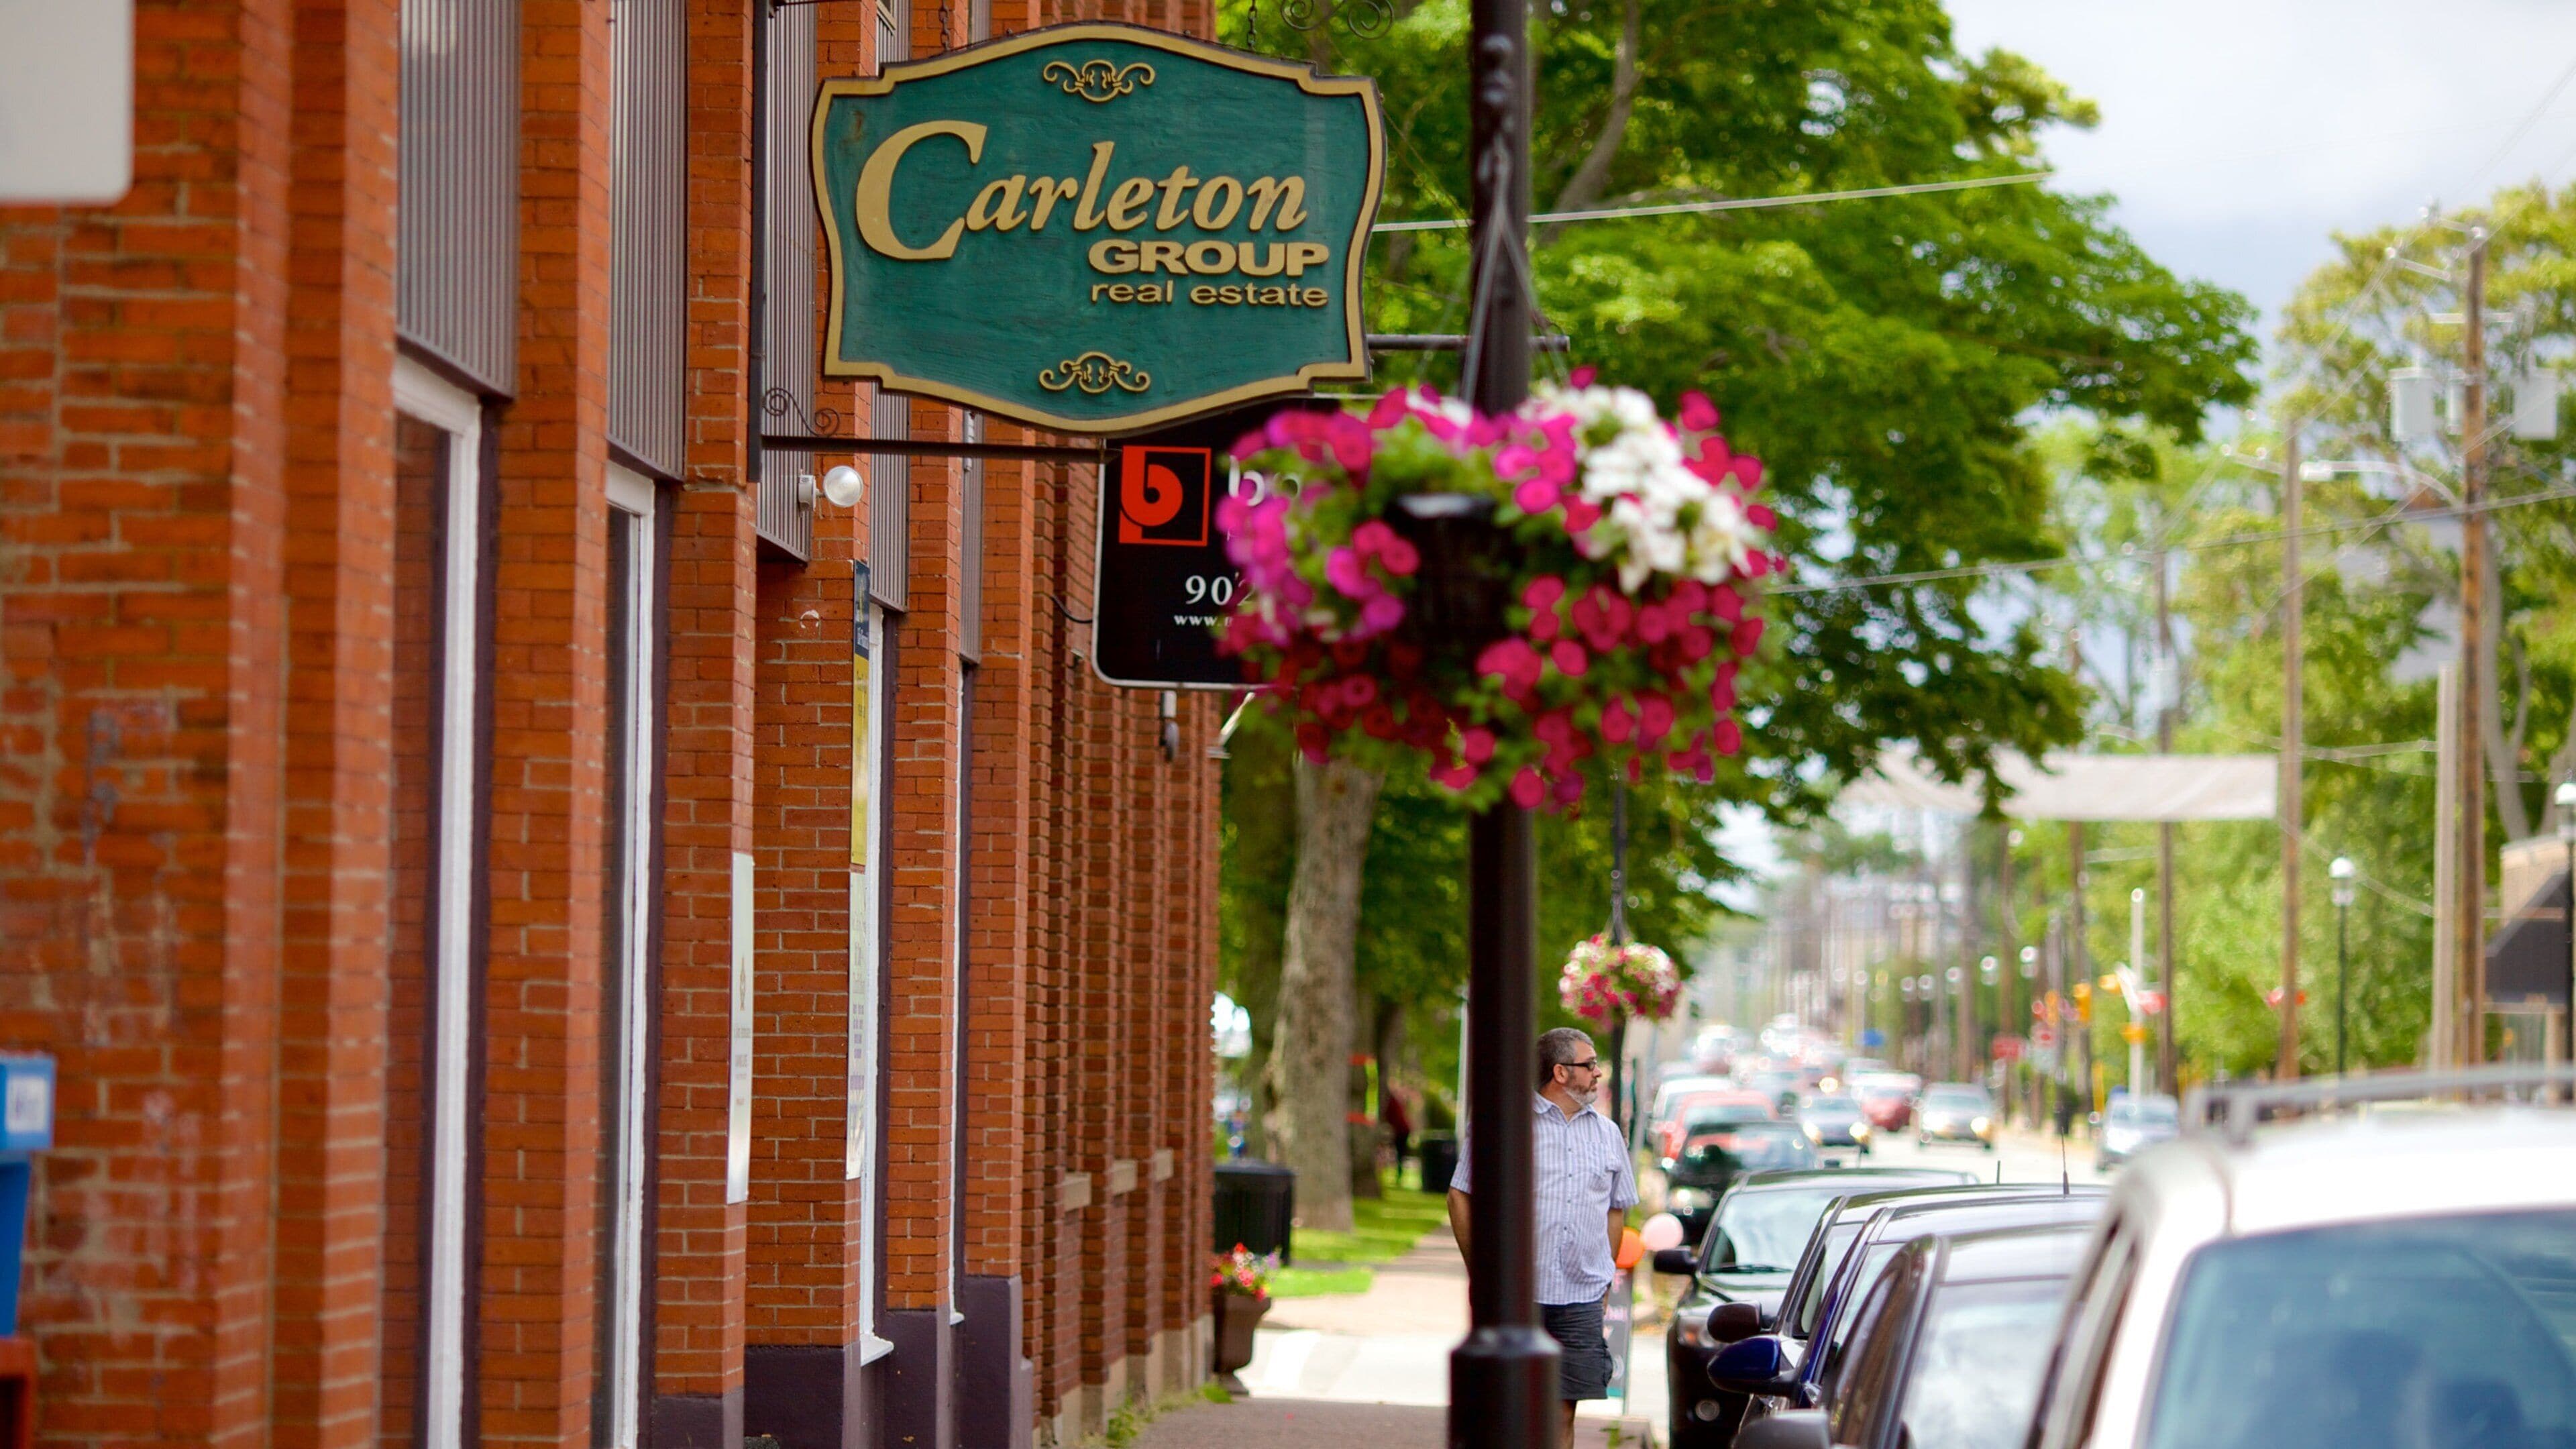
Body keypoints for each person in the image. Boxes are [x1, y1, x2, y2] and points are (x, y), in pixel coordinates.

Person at [1447, 1027, 1638, 1448]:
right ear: (1560, 1072)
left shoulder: (1608, 1134)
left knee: (1562, 1411)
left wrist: (1605, 1276)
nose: (1598, 1073)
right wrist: (1481, 1270)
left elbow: (1616, 1208)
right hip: (1518, 1296)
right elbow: (1461, 1195)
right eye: (1590, 1065)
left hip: (1581, 1297)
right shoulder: (1504, 1125)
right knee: (1506, 1410)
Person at [1381, 1083, 1413, 1173]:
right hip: (1402, 1129)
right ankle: (1399, 1170)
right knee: (1400, 1151)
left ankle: (1399, 1171)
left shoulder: (1391, 1102)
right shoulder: (1394, 1101)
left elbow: (1390, 1117)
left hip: (1402, 1130)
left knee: (1400, 1151)